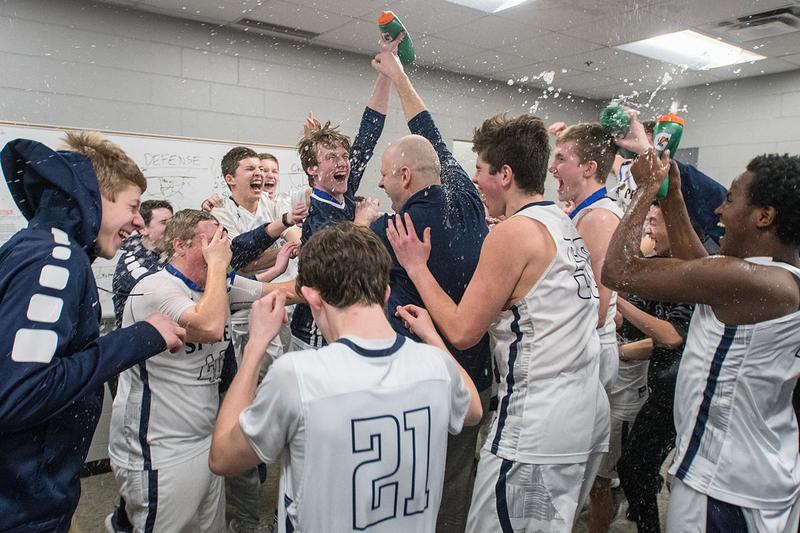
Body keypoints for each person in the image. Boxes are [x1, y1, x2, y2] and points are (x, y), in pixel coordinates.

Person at [386, 113, 609, 532]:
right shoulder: (562, 220)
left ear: (505, 174)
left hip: (536, 423)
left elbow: (463, 331)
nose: (475, 182)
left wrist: (416, 267)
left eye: (480, 171)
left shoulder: (514, 233)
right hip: (582, 411)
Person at [208, 222, 482, 532]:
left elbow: (223, 458)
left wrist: (256, 346)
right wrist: (433, 337)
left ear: (313, 298)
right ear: (385, 292)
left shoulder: (298, 375)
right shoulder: (436, 366)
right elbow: (473, 410)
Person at [603, 151, 800, 532]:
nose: (717, 211)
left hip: (724, 487)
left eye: (729, 199)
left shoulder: (754, 282)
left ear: (764, 216)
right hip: (751, 477)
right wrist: (673, 197)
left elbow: (618, 270)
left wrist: (643, 190)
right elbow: (702, 270)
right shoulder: (775, 278)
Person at [0, 133, 184, 532]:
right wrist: (139, 337)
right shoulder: (56, 259)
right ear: (95, 195)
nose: (137, 222)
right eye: (132, 206)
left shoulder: (40, 247)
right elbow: (20, 393)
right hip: (22, 503)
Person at [108, 209, 297, 532]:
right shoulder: (156, 287)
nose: (221, 248)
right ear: (180, 246)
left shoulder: (218, 285)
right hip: (159, 449)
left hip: (204, 440)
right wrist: (221, 264)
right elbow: (209, 325)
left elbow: (284, 292)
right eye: (211, 242)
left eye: (223, 240)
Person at [368, 45, 492, 532]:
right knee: (456, 484)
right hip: (473, 377)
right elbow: (430, 132)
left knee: (406, 485)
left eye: (383, 175)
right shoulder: (469, 198)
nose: (379, 184)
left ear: (403, 175)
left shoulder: (395, 229)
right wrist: (398, 76)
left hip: (417, 381)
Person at [549, 123, 627, 532]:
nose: (551, 167)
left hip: (589, 352)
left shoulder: (598, 217)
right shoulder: (583, 210)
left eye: (561, 159)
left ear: (591, 167)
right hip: (587, 349)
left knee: (570, 469)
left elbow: (594, 308)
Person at [290, 67, 391, 350]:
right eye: (331, 157)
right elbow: (340, 265)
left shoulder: (344, 193)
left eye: (344, 156)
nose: (343, 162)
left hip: (343, 324)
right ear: (312, 170)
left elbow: (369, 133)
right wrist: (360, 224)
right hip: (314, 332)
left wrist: (387, 72)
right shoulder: (317, 213)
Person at [614, 204, 694, 533]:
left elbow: (670, 335)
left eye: (652, 223)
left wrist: (617, 302)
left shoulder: (693, 274)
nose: (648, 230)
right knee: (635, 468)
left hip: (684, 396)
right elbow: (635, 324)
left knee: (641, 469)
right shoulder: (660, 268)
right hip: (662, 393)